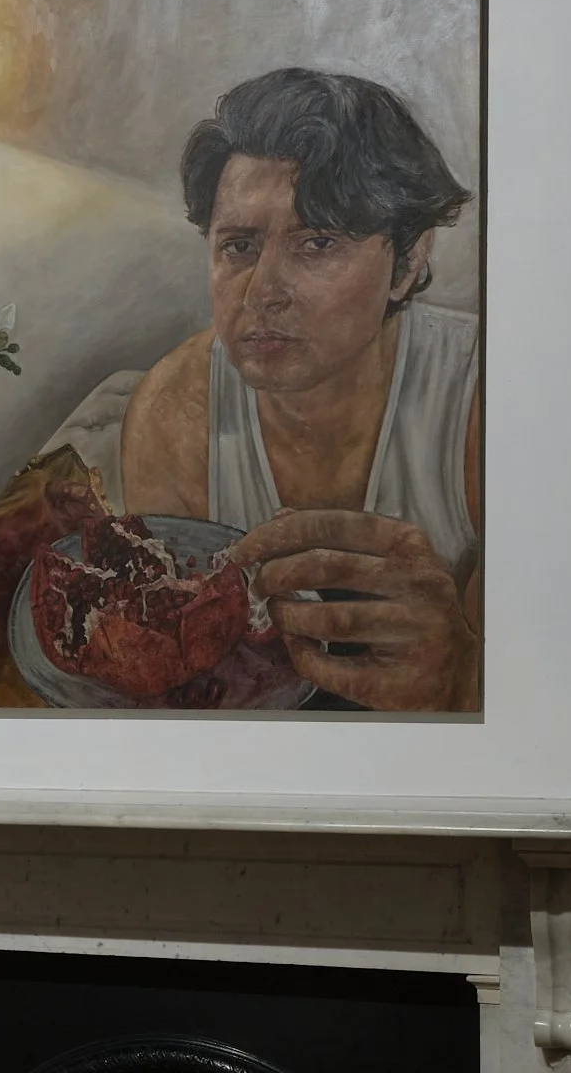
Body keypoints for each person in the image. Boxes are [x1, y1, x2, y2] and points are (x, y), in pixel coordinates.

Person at [119, 67, 480, 712]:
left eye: (316, 242)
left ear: (407, 262)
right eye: (239, 246)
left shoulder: (482, 398)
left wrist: (467, 674)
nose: (262, 292)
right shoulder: (172, 413)